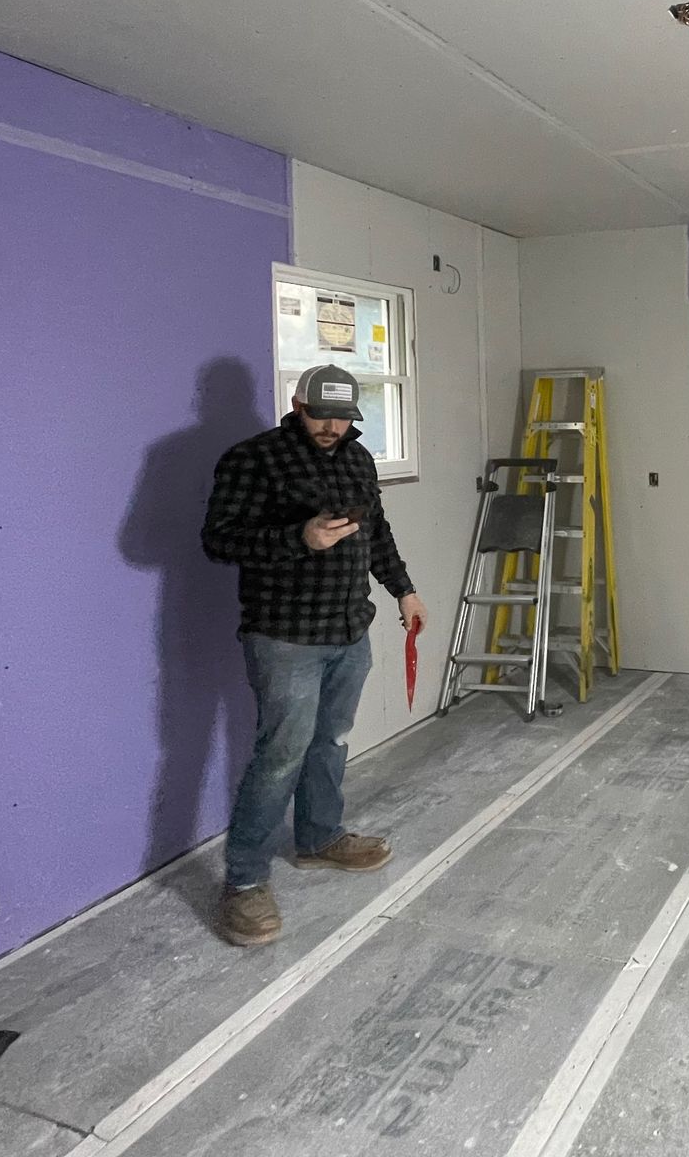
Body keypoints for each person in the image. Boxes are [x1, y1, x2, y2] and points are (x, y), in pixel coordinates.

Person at [201, 363, 428, 946]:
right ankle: (245, 883)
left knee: (330, 742)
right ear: (297, 403)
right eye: (319, 413)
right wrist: (299, 538)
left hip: (349, 631)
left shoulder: (357, 458)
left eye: (341, 416)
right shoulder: (252, 458)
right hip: (284, 637)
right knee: (281, 754)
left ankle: (319, 838)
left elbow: (376, 532)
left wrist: (403, 590)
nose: (330, 426)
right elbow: (217, 539)